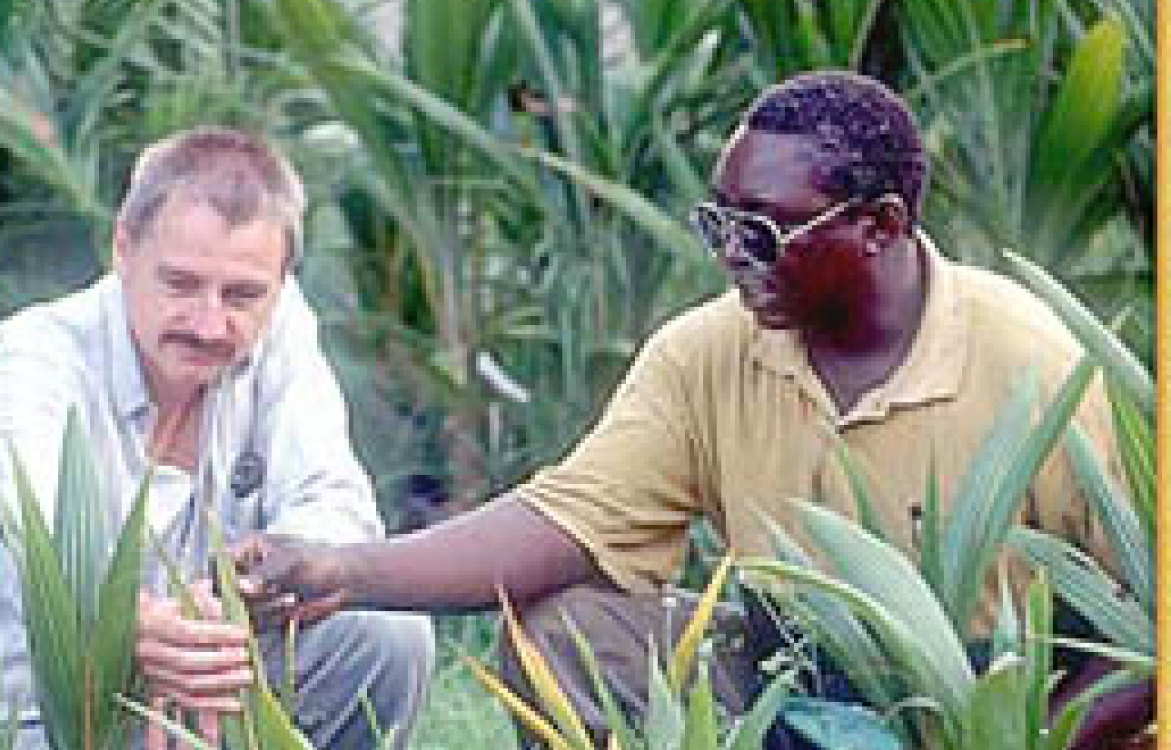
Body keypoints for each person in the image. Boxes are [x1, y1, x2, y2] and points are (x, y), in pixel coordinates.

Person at [230, 72, 1147, 748]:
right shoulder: (706, 350)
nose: (731, 255)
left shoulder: (1035, 364)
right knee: (571, 636)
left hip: (989, 694)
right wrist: (343, 571)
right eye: (718, 224)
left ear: (883, 227)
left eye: (761, 230)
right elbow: (565, 523)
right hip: (790, 673)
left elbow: (1147, 627)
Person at [0, 127, 435, 750]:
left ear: (282, 281)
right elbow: (44, 549)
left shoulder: (282, 327)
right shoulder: (27, 359)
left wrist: (251, 593)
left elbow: (335, 508)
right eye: (180, 284)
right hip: (21, 714)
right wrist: (137, 626)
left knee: (386, 637)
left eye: (242, 294)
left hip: (204, 671)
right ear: (123, 249)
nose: (209, 323)